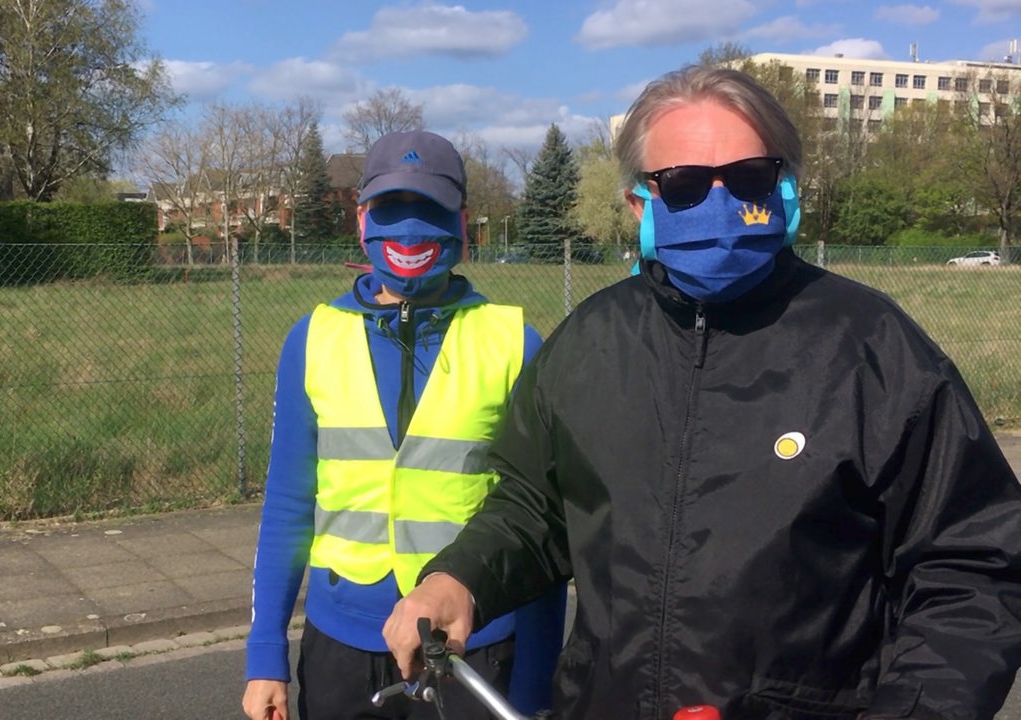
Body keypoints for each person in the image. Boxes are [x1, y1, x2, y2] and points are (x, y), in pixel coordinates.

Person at [382, 65, 1021, 720]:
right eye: (684, 185)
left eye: (746, 178)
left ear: (784, 185)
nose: (719, 204)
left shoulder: (874, 352)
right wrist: (459, 576)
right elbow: (532, 508)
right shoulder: (588, 346)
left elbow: (973, 570)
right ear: (639, 203)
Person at [242, 130, 568, 720]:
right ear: (364, 221)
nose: (411, 228)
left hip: (477, 645)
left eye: (431, 210)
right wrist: (266, 653)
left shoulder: (515, 343)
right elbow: (289, 504)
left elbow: (540, 525)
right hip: (341, 646)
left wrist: (536, 686)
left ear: (462, 223)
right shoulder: (312, 339)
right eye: (393, 209)